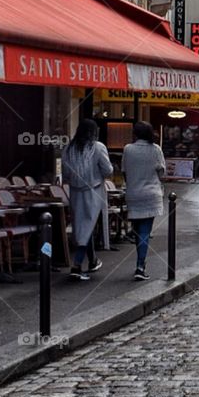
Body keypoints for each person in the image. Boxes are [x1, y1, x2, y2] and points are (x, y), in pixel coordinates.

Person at [61, 118, 113, 280]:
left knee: (82, 227)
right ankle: (76, 265)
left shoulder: (69, 148)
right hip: (94, 191)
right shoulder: (98, 147)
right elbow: (108, 170)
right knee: (87, 227)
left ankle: (92, 260)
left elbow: (65, 173)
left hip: (75, 192)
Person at [121, 121, 166, 281]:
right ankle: (140, 265)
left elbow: (124, 171)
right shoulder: (155, 150)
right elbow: (161, 173)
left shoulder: (128, 149)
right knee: (145, 231)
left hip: (133, 194)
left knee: (137, 230)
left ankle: (140, 262)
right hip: (151, 194)